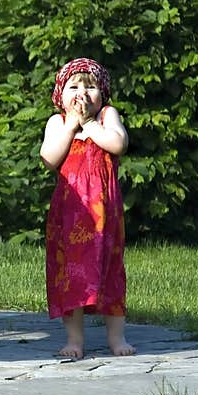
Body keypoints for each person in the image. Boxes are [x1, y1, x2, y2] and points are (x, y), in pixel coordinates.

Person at [40, 57, 136, 359]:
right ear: (61, 95)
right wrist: (72, 126)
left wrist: (91, 124)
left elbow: (118, 144)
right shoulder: (58, 122)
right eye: (74, 86)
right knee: (70, 273)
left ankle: (116, 337)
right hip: (70, 214)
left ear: (102, 93)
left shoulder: (107, 116)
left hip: (105, 216)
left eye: (91, 86)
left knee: (111, 271)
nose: (82, 93)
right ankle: (74, 340)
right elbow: (49, 158)